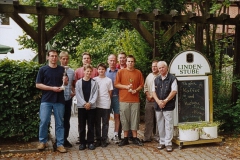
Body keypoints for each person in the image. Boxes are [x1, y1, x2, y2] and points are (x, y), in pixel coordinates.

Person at [36, 49, 68, 153]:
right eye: (52, 56)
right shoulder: (43, 69)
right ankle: (42, 142)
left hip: (59, 100)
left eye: (55, 56)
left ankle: (60, 144)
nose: (54, 58)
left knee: (60, 123)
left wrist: (65, 82)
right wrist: (52, 88)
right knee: (44, 121)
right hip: (46, 100)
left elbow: (65, 84)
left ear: (58, 58)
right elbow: (38, 84)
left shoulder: (62, 70)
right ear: (48, 57)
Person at [114, 55, 144, 146]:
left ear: (134, 63)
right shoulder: (120, 72)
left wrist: (136, 90)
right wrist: (126, 87)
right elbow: (116, 84)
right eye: (128, 61)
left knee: (135, 119)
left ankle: (135, 138)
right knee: (124, 119)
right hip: (124, 100)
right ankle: (125, 138)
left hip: (135, 100)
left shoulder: (138, 72)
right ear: (125, 62)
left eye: (132, 61)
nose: (130, 63)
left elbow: (141, 84)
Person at [152, 61, 177, 152]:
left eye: (162, 67)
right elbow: (153, 92)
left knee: (168, 124)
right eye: (159, 68)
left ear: (166, 68)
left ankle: (168, 143)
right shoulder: (156, 79)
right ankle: (162, 142)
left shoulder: (172, 78)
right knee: (160, 124)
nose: (161, 69)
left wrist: (165, 101)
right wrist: (159, 101)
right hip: (158, 105)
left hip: (168, 105)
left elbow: (174, 91)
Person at [75, 52, 98, 144]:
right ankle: (82, 142)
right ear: (83, 71)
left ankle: (90, 142)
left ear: (92, 72)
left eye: (90, 71)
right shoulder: (78, 83)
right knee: (82, 125)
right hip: (82, 106)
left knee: (91, 125)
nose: (88, 73)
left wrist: (90, 103)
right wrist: (84, 103)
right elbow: (78, 94)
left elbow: (95, 94)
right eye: (86, 71)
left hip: (91, 106)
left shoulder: (94, 82)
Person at [94, 63, 113, 147]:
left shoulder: (108, 80)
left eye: (102, 69)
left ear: (105, 70)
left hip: (105, 104)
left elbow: (110, 92)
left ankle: (104, 139)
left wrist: (106, 100)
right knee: (97, 123)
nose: (101, 71)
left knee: (105, 123)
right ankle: (98, 139)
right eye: (99, 69)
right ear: (97, 70)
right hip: (97, 104)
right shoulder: (94, 80)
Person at [59, 51, 75, 148]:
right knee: (59, 120)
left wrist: (74, 92)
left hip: (68, 98)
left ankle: (65, 139)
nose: (65, 60)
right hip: (59, 98)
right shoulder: (57, 70)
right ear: (60, 59)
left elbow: (72, 84)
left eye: (66, 59)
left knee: (67, 120)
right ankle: (59, 140)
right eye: (63, 59)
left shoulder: (72, 71)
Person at [143, 60, 159, 143]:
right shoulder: (149, 76)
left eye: (155, 66)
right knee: (148, 119)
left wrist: (153, 96)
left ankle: (157, 137)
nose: (154, 67)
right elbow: (145, 87)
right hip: (149, 101)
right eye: (153, 66)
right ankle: (147, 137)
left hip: (157, 101)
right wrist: (148, 96)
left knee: (158, 120)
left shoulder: (161, 76)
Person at [106, 54, 120, 143]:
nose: (112, 62)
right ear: (108, 61)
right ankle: (105, 135)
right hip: (107, 98)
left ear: (116, 61)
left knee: (117, 116)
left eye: (114, 60)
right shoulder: (104, 71)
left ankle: (116, 135)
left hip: (117, 97)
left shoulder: (120, 72)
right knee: (106, 117)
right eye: (111, 60)